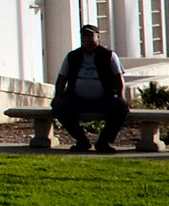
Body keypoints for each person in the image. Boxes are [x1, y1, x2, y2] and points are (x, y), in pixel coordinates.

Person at [51, 24, 130, 152]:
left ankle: (104, 142)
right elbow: (61, 79)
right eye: (84, 35)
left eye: (90, 35)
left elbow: (118, 79)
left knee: (121, 108)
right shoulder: (72, 56)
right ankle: (82, 140)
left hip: (104, 99)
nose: (86, 38)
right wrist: (57, 96)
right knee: (59, 106)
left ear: (98, 37)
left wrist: (121, 97)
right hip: (78, 99)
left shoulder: (108, 55)